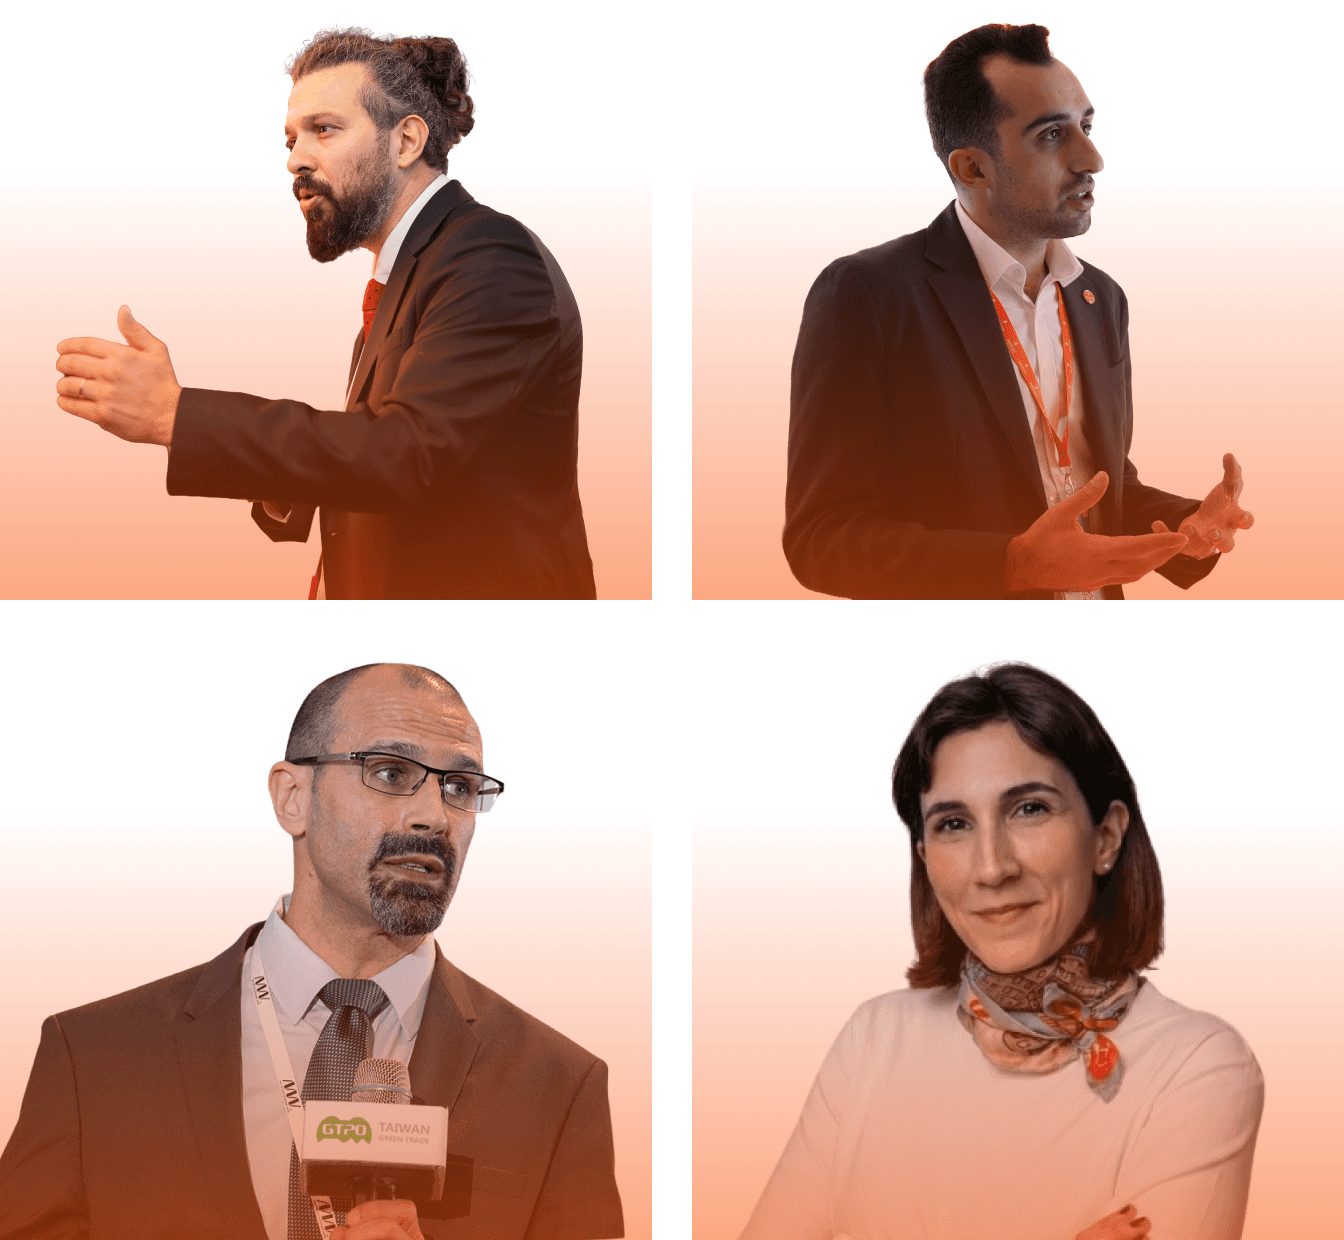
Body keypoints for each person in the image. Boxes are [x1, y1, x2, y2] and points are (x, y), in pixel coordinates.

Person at [0, 663, 624, 1240]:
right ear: (291, 797)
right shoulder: (93, 1060)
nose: (433, 815)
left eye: (460, 787)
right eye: (389, 773)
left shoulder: (559, 1088)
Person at [53, 29, 597, 600]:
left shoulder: (489, 257)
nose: (295, 160)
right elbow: (375, 461)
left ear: (407, 140)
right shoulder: (407, 278)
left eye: (324, 129)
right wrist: (277, 479)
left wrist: (179, 416)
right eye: (290, 139)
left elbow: (406, 457)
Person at [740, 663, 1262, 1240]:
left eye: (1029, 808)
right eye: (954, 823)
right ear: (924, 857)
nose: (992, 868)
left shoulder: (1198, 1067)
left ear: (1106, 838)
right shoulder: (873, 1041)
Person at [783, 24, 1255, 599]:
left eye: (1086, 125)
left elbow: (1095, 482)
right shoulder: (868, 294)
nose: (1092, 159)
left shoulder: (1100, 298)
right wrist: (1011, 565)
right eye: (1052, 135)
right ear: (971, 168)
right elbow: (822, 539)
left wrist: (1184, 525)